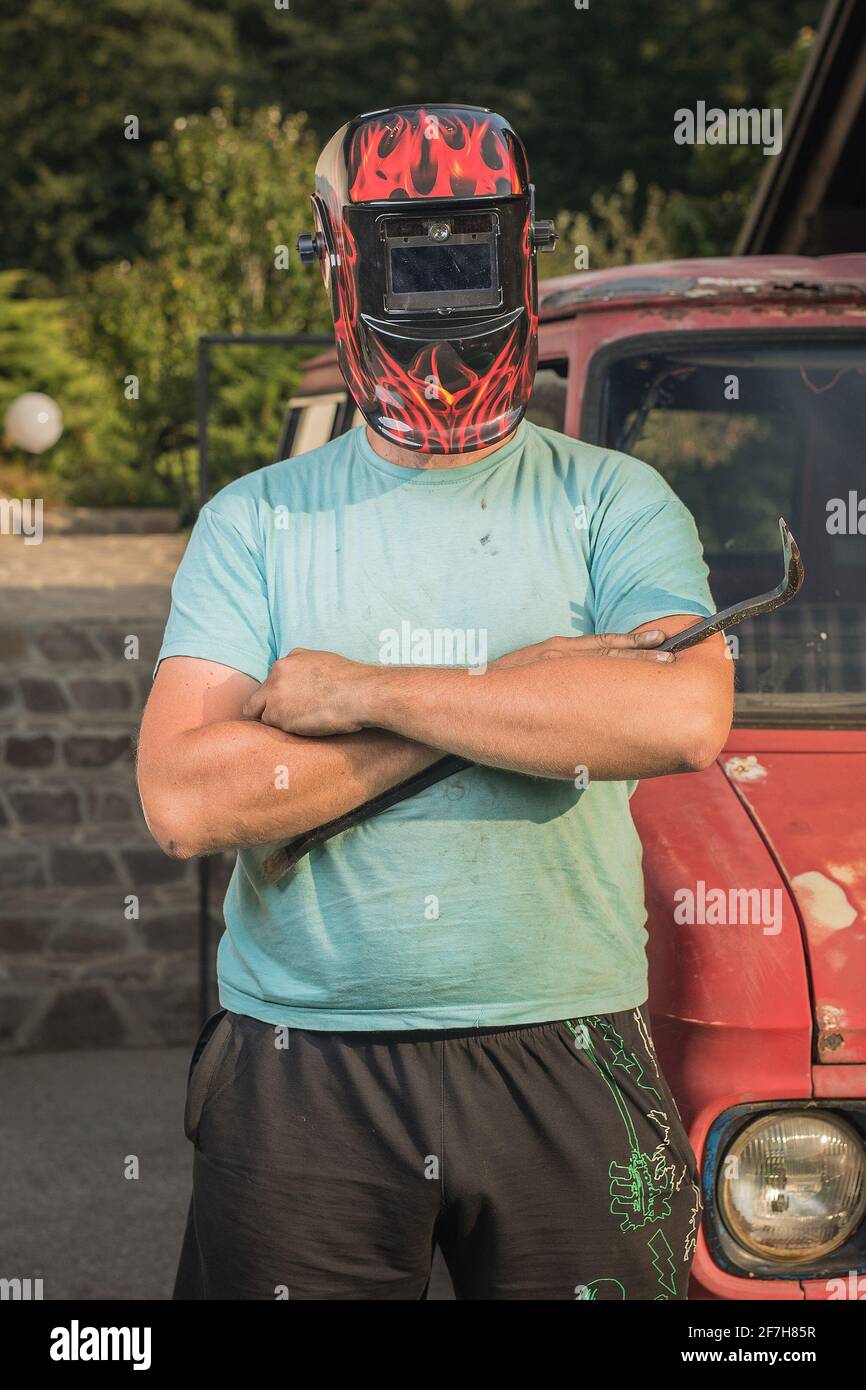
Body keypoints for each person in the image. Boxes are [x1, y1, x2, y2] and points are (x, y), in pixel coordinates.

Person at [137, 104, 732, 1300]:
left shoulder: (616, 500)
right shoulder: (254, 521)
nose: (443, 295)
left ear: (521, 250)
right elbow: (187, 801)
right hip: (300, 1065)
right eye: (416, 252)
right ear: (337, 259)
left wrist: (356, 695)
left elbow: (674, 719)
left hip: (567, 1045)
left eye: (467, 250)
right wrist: (529, 691)